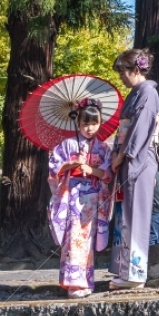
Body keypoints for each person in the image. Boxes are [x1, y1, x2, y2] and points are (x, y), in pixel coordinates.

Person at [48, 100, 114, 298]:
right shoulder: (67, 145)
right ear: (78, 124)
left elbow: (109, 174)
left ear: (100, 123)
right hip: (72, 197)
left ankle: (86, 281)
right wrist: (72, 163)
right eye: (85, 124)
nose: (90, 128)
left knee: (87, 239)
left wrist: (92, 169)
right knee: (73, 238)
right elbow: (53, 170)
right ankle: (72, 283)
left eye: (94, 123)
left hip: (93, 199)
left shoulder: (103, 148)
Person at [110, 48, 159, 290]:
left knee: (135, 214)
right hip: (126, 157)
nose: (121, 77)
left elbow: (140, 128)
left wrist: (121, 154)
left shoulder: (148, 93)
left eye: (123, 72)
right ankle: (124, 270)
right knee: (124, 215)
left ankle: (136, 273)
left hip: (137, 158)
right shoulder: (135, 94)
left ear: (136, 70)